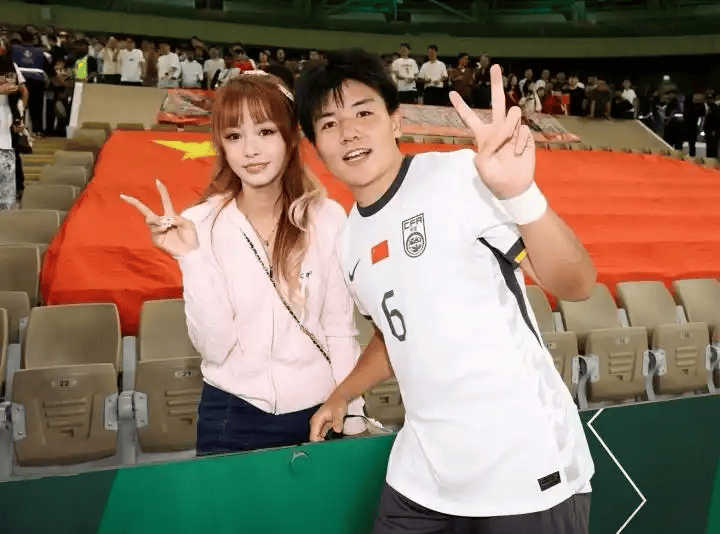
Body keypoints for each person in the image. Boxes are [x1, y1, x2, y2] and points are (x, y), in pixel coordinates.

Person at [296, 49, 595, 534]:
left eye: (364, 113)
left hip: (522, 468)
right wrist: (342, 394)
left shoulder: (459, 177)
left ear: (396, 121)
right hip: (425, 475)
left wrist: (521, 194)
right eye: (329, 124)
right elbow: (394, 335)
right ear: (315, 145)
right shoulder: (349, 241)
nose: (348, 131)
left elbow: (577, 284)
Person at [120, 74, 366, 455]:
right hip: (231, 415)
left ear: (291, 136)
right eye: (234, 136)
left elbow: (339, 329)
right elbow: (215, 348)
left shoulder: (327, 217)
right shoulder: (201, 223)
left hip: (320, 411)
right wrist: (192, 257)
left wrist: (352, 412)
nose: (251, 150)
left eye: (265, 131)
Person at [0, 37, 28, 208]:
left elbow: (24, 91)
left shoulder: (12, 67)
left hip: (7, 117)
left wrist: (20, 112)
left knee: (11, 155)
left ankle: (14, 191)